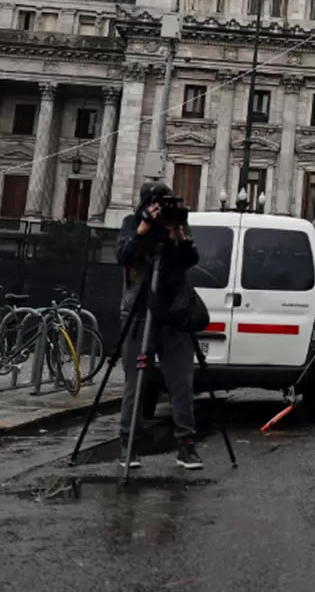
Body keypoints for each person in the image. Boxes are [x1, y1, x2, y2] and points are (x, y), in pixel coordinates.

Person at [115, 181, 203, 470]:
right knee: (135, 384)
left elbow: (191, 260)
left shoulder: (174, 226)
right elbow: (123, 257)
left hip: (174, 313)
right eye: (156, 203)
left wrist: (179, 234)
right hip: (139, 313)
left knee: (182, 383)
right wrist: (143, 229)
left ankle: (187, 447)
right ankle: (128, 446)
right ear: (144, 204)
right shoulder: (132, 223)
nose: (160, 209)